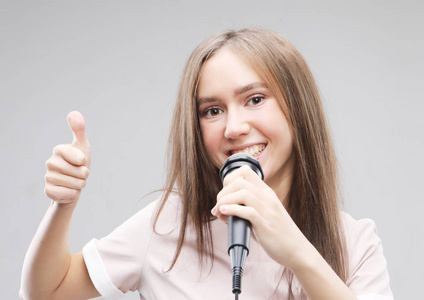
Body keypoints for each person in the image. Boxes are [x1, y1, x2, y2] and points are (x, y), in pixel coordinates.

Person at [20, 28, 393, 300]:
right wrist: (63, 205)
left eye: (255, 99)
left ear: (298, 108)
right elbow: (45, 292)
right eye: (212, 111)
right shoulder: (168, 226)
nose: (233, 128)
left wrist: (297, 252)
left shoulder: (355, 243)